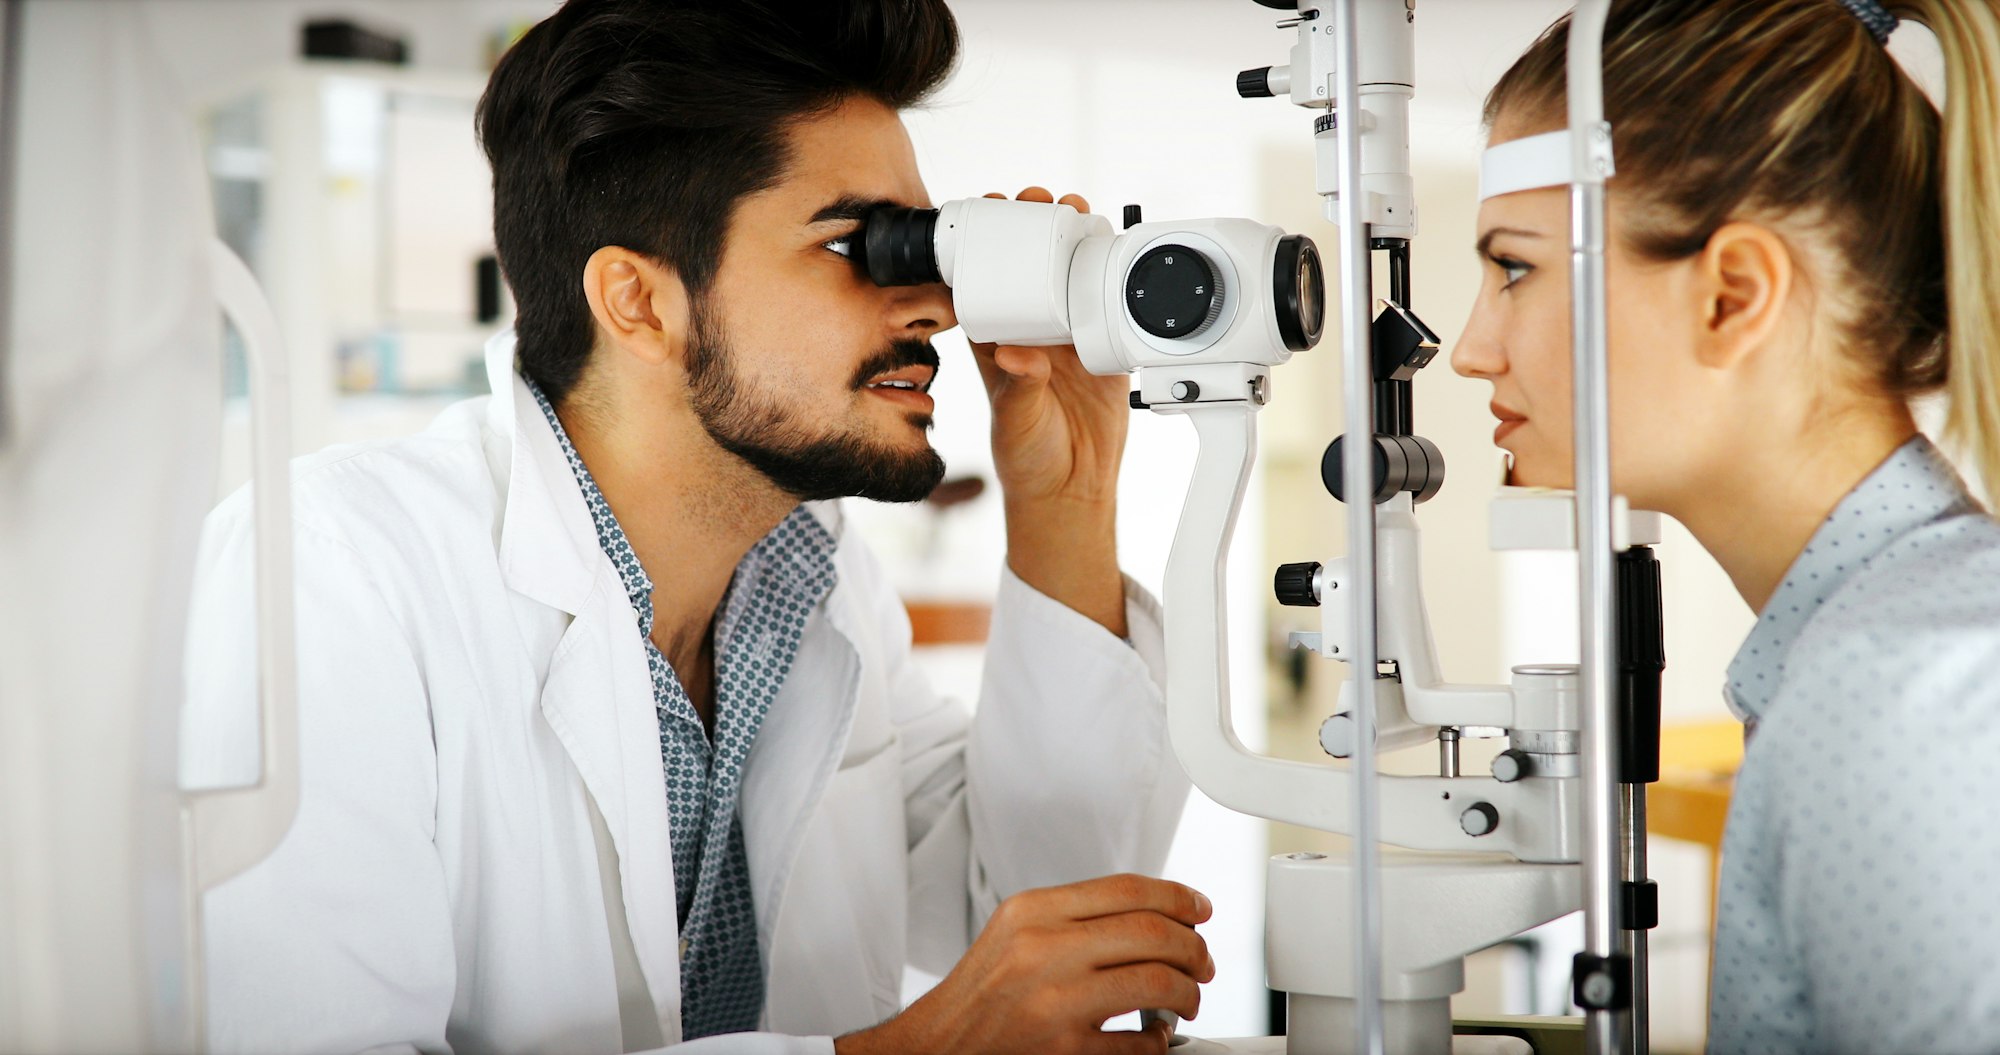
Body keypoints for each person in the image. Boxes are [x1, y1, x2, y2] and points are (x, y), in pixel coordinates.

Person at [179, 2, 1208, 1052]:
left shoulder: (810, 581)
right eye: (859, 243)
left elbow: (1055, 914)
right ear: (637, 302)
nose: (934, 309)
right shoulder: (332, 574)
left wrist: (1065, 499)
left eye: (924, 243)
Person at [1456, 0, 2000, 1050]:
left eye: (1512, 267)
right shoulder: (1866, 655)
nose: (1470, 347)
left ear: (1731, 295)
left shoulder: (1904, 693)